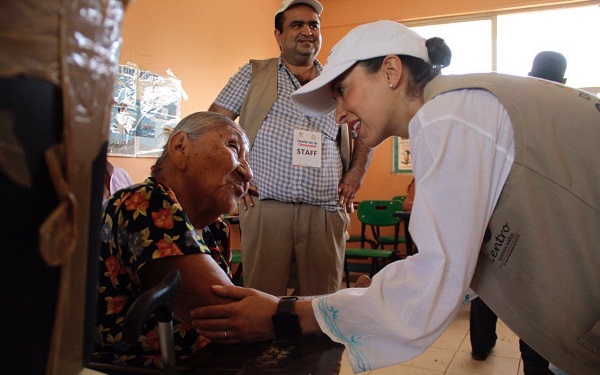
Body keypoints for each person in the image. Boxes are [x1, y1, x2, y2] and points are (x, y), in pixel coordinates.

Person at [189, 20, 600, 375]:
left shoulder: (448, 116)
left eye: (343, 91)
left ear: (390, 71)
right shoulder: (459, 107)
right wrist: (379, 289)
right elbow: (464, 259)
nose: (339, 114)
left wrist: (284, 314)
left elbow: (432, 287)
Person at [208, 0, 373, 296]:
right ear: (278, 35)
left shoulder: (339, 82)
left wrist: (357, 172)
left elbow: (366, 127)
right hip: (267, 207)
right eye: (297, 24)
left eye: (313, 25)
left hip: (325, 209)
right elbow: (215, 125)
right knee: (262, 299)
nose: (307, 31)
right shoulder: (253, 73)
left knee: (322, 306)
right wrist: (231, 173)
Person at [94, 111, 253, 367]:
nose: (248, 172)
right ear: (180, 147)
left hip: (204, 360)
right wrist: (310, 310)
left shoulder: (215, 227)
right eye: (233, 147)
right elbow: (228, 316)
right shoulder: (145, 201)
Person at [469, 50, 568, 375]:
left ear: (529, 73)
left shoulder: (510, 109)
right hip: (546, 223)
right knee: (535, 301)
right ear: (564, 80)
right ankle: (536, 365)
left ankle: (481, 346)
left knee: (489, 286)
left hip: (501, 215)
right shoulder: (569, 111)